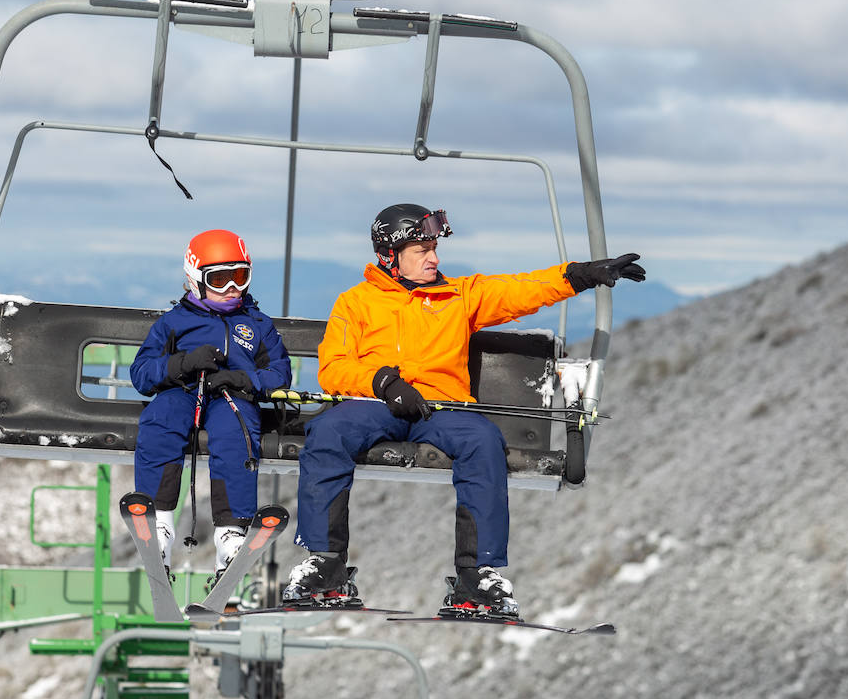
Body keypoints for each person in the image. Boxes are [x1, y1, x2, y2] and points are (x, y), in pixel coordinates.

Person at [284, 203, 644, 614]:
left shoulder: (458, 296)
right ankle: (326, 563)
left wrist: (581, 275)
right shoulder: (356, 304)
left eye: (433, 247)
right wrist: (383, 382)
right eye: (421, 250)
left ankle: (477, 576)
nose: (434, 258)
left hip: (442, 409)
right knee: (329, 432)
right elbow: (334, 367)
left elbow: (519, 290)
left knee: (482, 440)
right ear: (390, 256)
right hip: (376, 404)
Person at [130, 229, 292, 585]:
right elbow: (142, 374)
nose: (232, 287)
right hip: (182, 391)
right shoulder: (173, 323)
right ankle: (158, 525)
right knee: (160, 420)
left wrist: (243, 380)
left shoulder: (257, 325)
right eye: (219, 279)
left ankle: (230, 534)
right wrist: (181, 364)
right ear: (195, 279)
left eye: (240, 276)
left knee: (236, 433)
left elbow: (280, 373)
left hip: (230, 397)